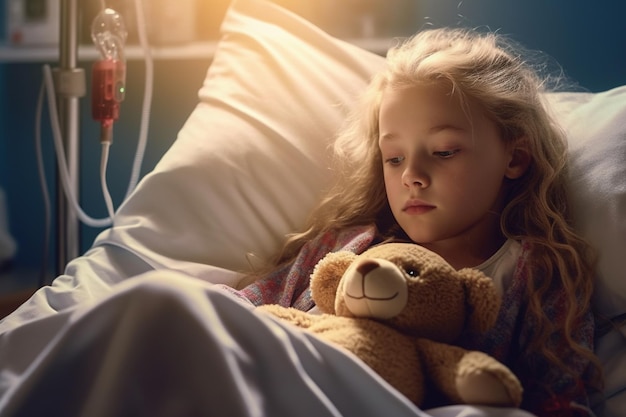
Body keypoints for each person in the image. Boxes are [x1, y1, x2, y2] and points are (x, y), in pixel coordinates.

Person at [229, 28, 603, 416]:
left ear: (515, 157)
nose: (412, 175)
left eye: (443, 151)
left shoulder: (535, 273)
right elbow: (242, 311)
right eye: (394, 158)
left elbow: (562, 399)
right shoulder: (346, 246)